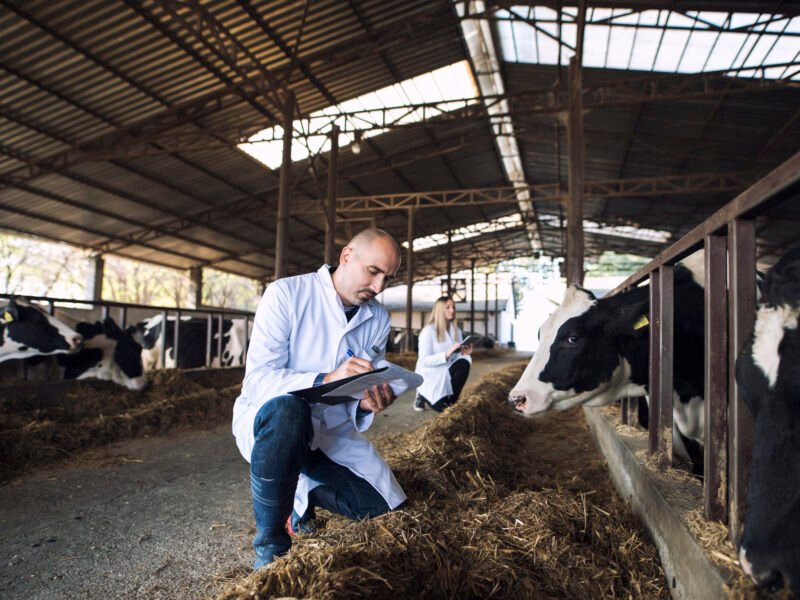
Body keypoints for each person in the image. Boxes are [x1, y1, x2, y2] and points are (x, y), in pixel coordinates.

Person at [232, 228, 407, 570]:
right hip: (275, 427)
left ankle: (302, 490)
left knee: (385, 508)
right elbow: (258, 380)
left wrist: (365, 402)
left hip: (331, 433)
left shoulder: (379, 318)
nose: (379, 287)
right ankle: (270, 546)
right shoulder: (287, 294)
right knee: (289, 410)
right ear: (346, 257)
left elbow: (358, 387)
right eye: (373, 272)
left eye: (388, 277)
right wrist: (324, 378)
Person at [413, 296, 472, 412]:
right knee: (441, 408)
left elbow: (456, 357)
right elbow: (424, 361)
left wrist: (464, 353)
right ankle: (422, 393)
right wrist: (446, 354)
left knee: (464, 363)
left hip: (446, 370)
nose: (452, 310)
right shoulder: (428, 331)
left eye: (453, 307)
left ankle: (453, 401)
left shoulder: (456, 331)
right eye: (448, 307)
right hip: (430, 374)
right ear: (440, 310)